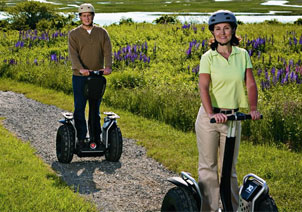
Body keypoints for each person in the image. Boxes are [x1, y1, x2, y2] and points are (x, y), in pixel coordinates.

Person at [195, 10, 261, 211]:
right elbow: (203, 87)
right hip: (210, 119)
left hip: (232, 119)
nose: (222, 33)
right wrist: (212, 113)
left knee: (229, 170)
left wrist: (253, 108)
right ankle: (209, 209)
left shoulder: (243, 55)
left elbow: (250, 84)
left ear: (233, 30)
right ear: (213, 33)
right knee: (208, 168)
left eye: (226, 28)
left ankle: (232, 208)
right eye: (218, 29)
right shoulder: (209, 57)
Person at [68, 3, 112, 150]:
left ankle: (95, 138)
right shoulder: (73, 34)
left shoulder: (102, 32)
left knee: (95, 109)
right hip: (79, 77)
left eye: (89, 15)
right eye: (84, 16)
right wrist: (80, 69)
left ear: (93, 16)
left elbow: (107, 51)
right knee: (79, 108)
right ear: (80, 17)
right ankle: (81, 138)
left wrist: (108, 66)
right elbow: (73, 54)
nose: (86, 18)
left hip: (97, 77)